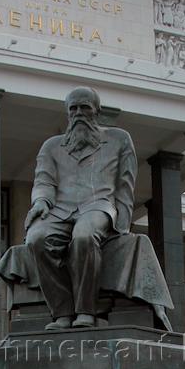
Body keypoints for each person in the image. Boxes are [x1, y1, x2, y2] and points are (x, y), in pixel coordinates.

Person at [25, 86, 137, 330]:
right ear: (67, 113)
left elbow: (125, 184)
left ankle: (86, 311)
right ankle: (62, 312)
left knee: (84, 236)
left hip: (98, 206)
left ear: (97, 111)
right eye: (73, 109)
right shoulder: (51, 146)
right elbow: (44, 181)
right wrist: (41, 202)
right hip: (60, 209)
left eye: (84, 107)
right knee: (36, 238)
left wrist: (122, 225)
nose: (78, 113)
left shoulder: (119, 139)